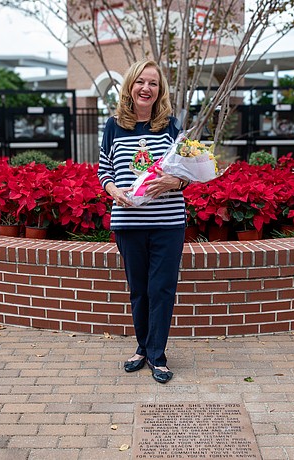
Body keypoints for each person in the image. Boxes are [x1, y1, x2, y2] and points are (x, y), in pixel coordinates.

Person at [97, 59, 189, 384]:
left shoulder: (172, 126)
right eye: (140, 82)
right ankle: (142, 347)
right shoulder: (113, 126)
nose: (146, 88)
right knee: (138, 290)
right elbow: (104, 170)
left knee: (161, 289)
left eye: (153, 83)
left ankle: (157, 356)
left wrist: (175, 182)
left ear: (159, 90)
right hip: (129, 222)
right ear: (130, 86)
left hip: (167, 223)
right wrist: (113, 190)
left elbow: (187, 171)